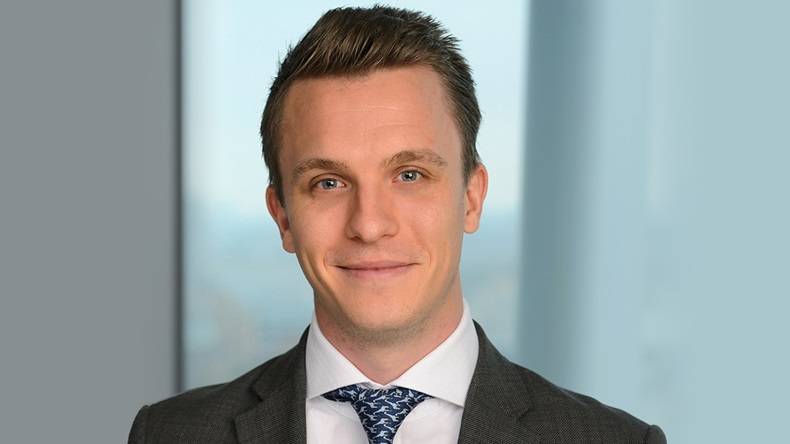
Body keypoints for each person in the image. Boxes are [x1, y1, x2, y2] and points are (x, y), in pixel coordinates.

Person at [129, 5, 666, 444]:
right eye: (328, 183)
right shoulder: (169, 435)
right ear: (283, 217)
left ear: (471, 198)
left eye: (410, 175)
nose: (369, 225)